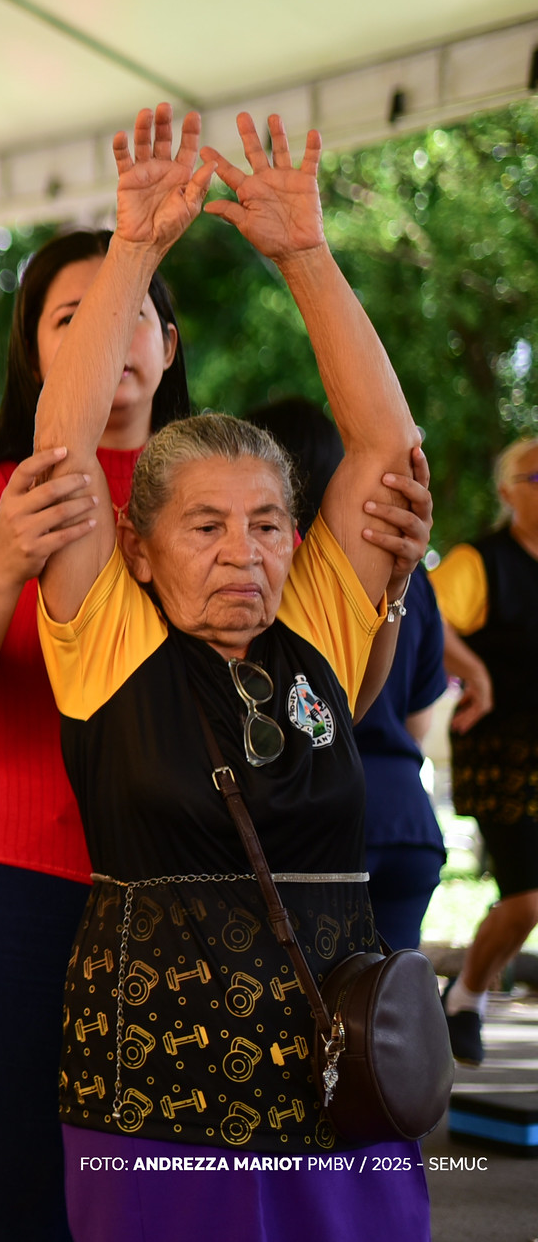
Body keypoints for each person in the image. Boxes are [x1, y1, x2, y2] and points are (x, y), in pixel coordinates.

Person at [38, 105, 427, 1238]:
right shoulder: (109, 640)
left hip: (332, 1068)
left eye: (264, 524)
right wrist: (131, 251)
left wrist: (305, 256)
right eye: (203, 525)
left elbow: (383, 454)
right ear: (138, 549)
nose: (240, 552)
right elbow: (59, 456)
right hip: (153, 1087)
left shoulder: (311, 630)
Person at [0, 223, 190, 1240]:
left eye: (132, 306)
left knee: (166, 1201)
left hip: (185, 899)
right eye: (74, 313)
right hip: (13, 899)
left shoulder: (220, 495)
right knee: (16, 1201)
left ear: (167, 343)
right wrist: (4, 560)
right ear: (36, 354)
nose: (110, 328)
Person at [248, 399, 445, 952]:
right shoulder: (407, 573)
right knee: (387, 1017)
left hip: (315, 817)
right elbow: (420, 720)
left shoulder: (274, 572)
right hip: (405, 816)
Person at [432, 435, 538, 1066]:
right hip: (503, 755)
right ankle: (465, 996)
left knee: (526, 896)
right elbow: (424, 616)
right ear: (506, 492)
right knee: (528, 896)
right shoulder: (481, 561)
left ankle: (467, 995)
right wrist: (478, 672)